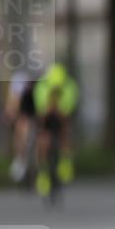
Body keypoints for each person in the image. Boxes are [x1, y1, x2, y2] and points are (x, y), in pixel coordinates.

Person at [32, 63, 79, 196]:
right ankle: (43, 173)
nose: (56, 93)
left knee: (65, 132)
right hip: (46, 117)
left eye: (58, 90)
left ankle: (66, 160)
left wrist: (59, 110)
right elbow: (41, 116)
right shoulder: (41, 88)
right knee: (43, 141)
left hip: (63, 115)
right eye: (54, 90)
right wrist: (49, 108)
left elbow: (67, 114)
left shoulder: (70, 88)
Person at [6, 70, 37, 183]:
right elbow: (12, 103)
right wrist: (10, 114)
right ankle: (20, 158)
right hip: (24, 110)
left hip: (35, 106)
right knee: (21, 128)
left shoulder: (38, 88)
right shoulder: (17, 84)